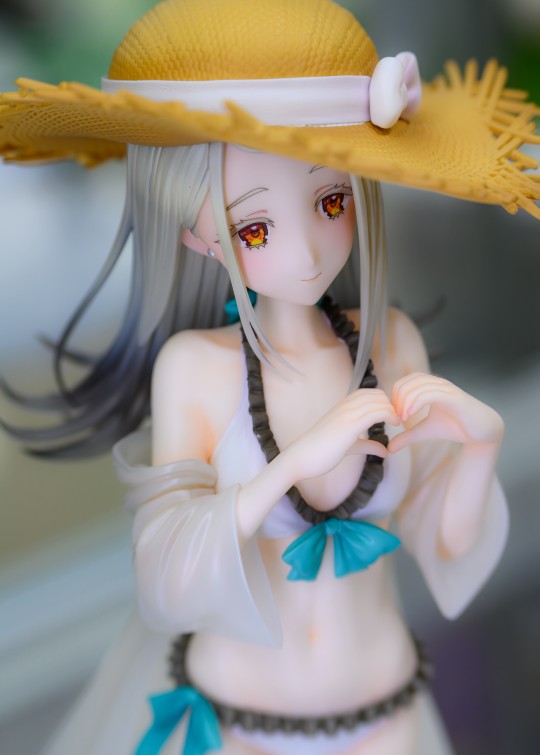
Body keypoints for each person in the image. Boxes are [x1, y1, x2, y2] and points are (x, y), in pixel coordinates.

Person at [1, 0, 538, 753]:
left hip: (385, 710)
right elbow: (168, 576)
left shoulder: (391, 342)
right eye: (254, 228)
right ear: (198, 234)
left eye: (331, 200)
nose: (309, 252)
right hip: (240, 721)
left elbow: (447, 545)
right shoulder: (196, 368)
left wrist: (480, 446)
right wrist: (293, 463)